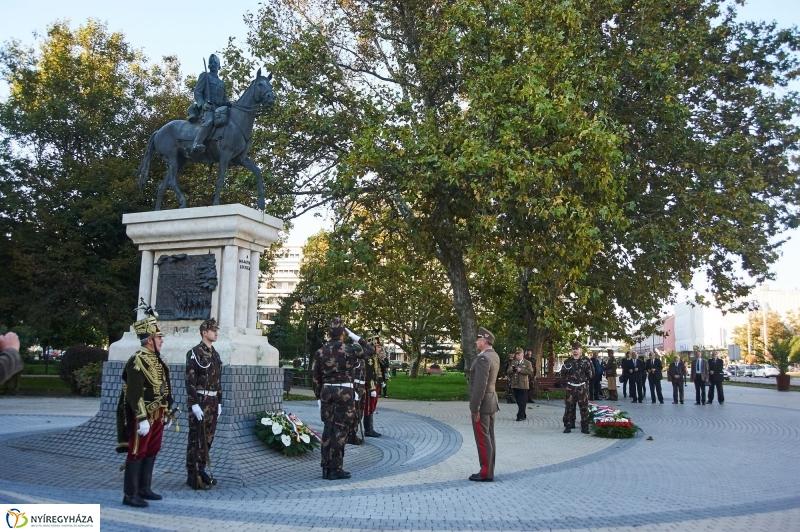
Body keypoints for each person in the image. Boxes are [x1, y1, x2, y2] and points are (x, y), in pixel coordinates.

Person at [115, 302, 174, 508]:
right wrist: (141, 418)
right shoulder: (137, 360)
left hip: (158, 413)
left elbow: (165, 387)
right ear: (149, 340)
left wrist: (167, 411)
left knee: (152, 449)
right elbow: (134, 392)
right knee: (137, 451)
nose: (162, 341)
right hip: (144, 414)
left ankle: (144, 488)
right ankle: (130, 494)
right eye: (159, 337)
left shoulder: (159, 360)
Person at [312, 317, 373, 481]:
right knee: (340, 431)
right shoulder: (350, 349)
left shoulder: (321, 351)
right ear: (343, 333)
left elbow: (316, 377)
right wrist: (357, 338)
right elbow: (371, 351)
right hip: (344, 393)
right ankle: (335, 468)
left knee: (328, 429)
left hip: (327, 392)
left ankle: (325, 468)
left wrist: (318, 396)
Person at [185, 318, 223, 490]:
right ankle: (192, 473)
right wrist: (193, 404)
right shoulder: (194, 353)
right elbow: (190, 381)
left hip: (212, 401)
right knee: (196, 437)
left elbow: (218, 380)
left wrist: (219, 401)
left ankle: (201, 469)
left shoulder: (215, 354)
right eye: (213, 330)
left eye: (216, 330)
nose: (216, 333)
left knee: (208, 438)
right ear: (204, 332)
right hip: (200, 400)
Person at [468, 327, 500, 482]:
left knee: (483, 439)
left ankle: (486, 472)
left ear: (484, 341)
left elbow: (480, 386)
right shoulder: (494, 355)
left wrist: (475, 408)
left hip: (483, 404)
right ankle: (489, 470)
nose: (476, 342)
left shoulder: (483, 359)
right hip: (491, 401)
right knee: (489, 437)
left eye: (478, 339)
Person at [191, 54, 231, 153]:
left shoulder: (222, 83)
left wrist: (228, 103)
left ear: (219, 66)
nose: (213, 64)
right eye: (211, 62)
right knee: (209, 120)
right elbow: (197, 92)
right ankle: (196, 143)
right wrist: (202, 104)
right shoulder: (205, 76)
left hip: (220, 110)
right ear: (208, 65)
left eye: (215, 63)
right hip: (208, 108)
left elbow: (224, 98)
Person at [561, 342, 593, 433]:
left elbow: (590, 374)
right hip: (570, 387)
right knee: (569, 407)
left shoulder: (586, 361)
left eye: (577, 349)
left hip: (582, 388)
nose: (575, 351)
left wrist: (582, 380)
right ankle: (569, 425)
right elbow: (563, 374)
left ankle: (585, 426)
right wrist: (569, 380)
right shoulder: (568, 361)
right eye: (573, 349)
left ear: (581, 350)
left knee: (584, 407)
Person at [363, 339, 384, 438]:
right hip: (370, 386)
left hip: (376, 384)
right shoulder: (369, 357)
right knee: (368, 407)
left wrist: (381, 381)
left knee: (372, 406)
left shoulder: (376, 356)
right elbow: (369, 374)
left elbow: (378, 371)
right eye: (378, 347)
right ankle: (368, 429)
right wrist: (372, 388)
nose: (380, 349)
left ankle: (370, 428)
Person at [506, 348, 533, 421]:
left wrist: (521, 370)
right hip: (515, 383)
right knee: (518, 400)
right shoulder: (513, 362)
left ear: (522, 355)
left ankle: (520, 416)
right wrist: (512, 369)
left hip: (523, 384)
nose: (517, 356)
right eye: (516, 354)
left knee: (522, 400)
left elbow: (530, 371)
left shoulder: (527, 363)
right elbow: (508, 371)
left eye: (519, 354)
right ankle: (523, 414)